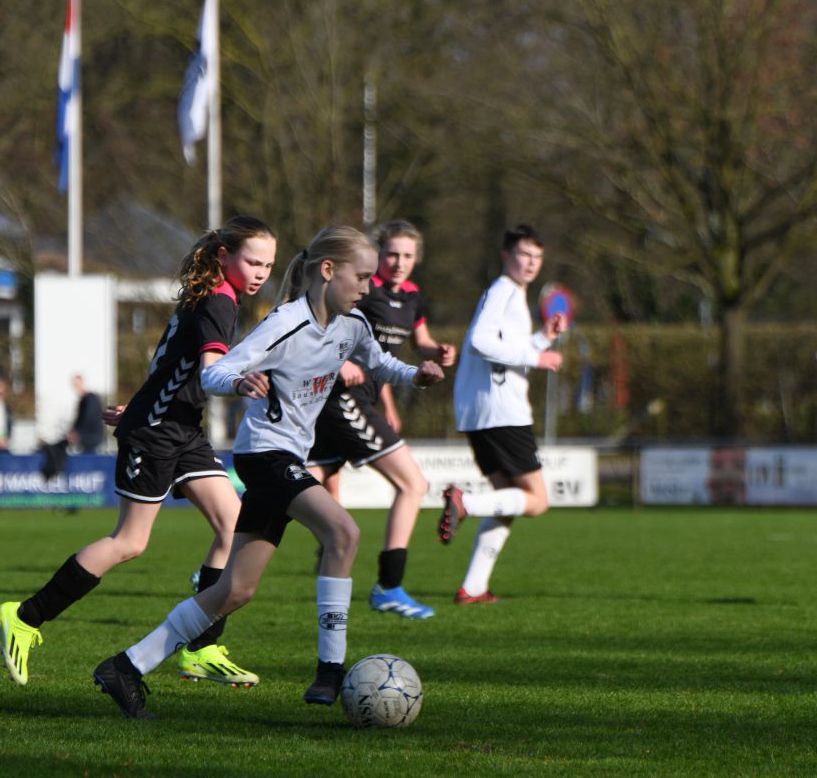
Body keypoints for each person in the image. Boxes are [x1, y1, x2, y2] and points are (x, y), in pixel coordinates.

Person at [90, 225, 444, 719]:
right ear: (328, 271)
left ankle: (126, 667)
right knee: (343, 532)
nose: (367, 288)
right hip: (264, 456)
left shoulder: (353, 324)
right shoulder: (285, 323)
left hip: (288, 458)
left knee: (235, 590)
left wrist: (417, 375)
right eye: (361, 277)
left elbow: (382, 364)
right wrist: (240, 381)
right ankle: (330, 669)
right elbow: (215, 371)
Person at [0, 216, 277, 691]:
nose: (261, 273)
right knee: (130, 542)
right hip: (157, 433)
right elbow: (211, 370)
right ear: (225, 256)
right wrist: (239, 381)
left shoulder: (213, 295)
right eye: (253, 262)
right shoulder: (219, 300)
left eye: (268, 265)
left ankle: (201, 648)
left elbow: (169, 363)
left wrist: (144, 402)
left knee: (234, 526)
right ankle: (24, 617)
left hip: (178, 427)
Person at [306, 220, 457, 620]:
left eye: (408, 255)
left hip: (362, 397)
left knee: (299, 483)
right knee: (413, 483)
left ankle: (224, 558)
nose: (399, 262)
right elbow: (324, 329)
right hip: (344, 398)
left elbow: (418, 342)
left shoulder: (412, 297)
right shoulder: (362, 291)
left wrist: (438, 352)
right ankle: (389, 587)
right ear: (379, 254)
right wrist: (338, 363)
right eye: (392, 254)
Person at [439, 224, 567, 604]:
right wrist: (537, 357)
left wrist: (542, 339)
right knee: (537, 500)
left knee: (507, 500)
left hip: (479, 412)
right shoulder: (504, 289)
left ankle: (473, 587)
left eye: (537, 256)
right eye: (524, 254)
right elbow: (480, 342)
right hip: (503, 412)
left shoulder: (508, 294)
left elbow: (502, 350)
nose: (531, 263)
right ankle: (465, 503)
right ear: (506, 255)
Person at [67, 374, 104, 454]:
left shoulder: (90, 398)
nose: (76, 387)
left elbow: (87, 417)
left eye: (77, 384)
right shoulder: (84, 399)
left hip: (91, 436)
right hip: (88, 435)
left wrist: (77, 432)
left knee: (88, 456)